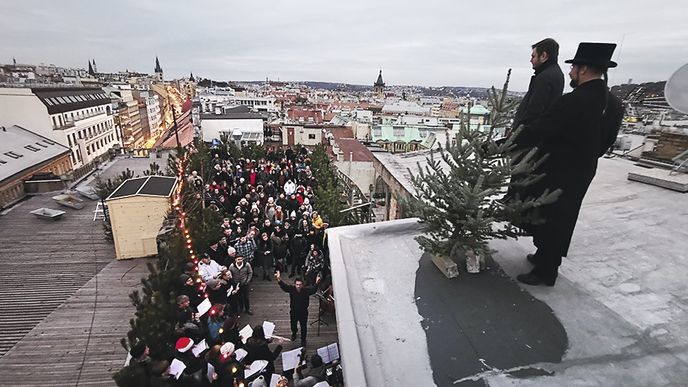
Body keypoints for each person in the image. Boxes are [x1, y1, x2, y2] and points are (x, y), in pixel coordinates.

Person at [515, 42, 624, 286]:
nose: (571, 72)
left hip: (557, 167)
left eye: (574, 67)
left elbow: (540, 130)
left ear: (583, 69)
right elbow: (607, 141)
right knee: (565, 216)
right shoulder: (614, 103)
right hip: (583, 169)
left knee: (550, 215)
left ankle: (546, 272)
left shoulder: (574, 100)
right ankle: (545, 257)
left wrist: (505, 143)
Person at [511, 38, 565, 140]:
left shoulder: (544, 77)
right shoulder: (556, 74)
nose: (531, 60)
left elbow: (534, 110)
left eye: (533, 56)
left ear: (543, 56)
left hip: (530, 137)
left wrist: (518, 133)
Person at [275, 271, 320, 346]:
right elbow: (284, 287)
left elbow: (313, 289)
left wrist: (317, 282)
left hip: (303, 312)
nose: (298, 286)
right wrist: (278, 279)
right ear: (295, 284)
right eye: (297, 285)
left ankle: (303, 339)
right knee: (293, 324)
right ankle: (294, 333)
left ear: (302, 285)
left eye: (300, 285)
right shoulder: (292, 289)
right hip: (294, 311)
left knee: (303, 326)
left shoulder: (306, 290)